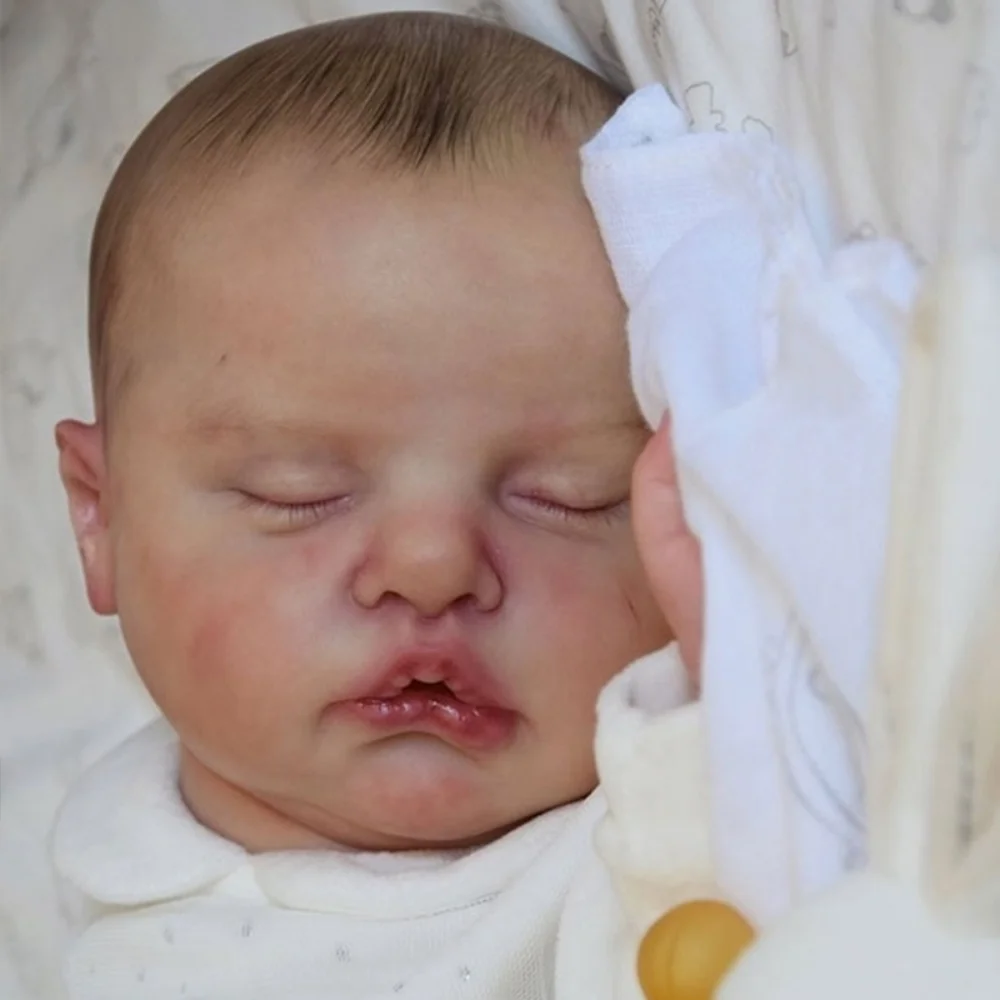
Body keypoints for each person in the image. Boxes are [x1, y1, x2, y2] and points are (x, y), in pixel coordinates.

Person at [52, 11, 704, 999]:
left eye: (569, 498)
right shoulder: (74, 852)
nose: (433, 565)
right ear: (101, 518)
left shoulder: (674, 828)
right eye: (297, 491)